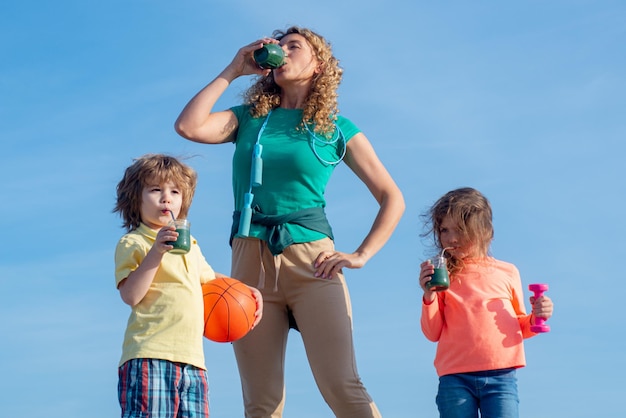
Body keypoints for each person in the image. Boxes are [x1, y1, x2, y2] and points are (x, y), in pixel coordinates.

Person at [174, 26, 405, 418]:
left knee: (343, 387)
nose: (281, 51)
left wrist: (362, 254)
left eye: (293, 46)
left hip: (314, 262)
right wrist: (234, 68)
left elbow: (391, 197)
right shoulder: (248, 119)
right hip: (250, 262)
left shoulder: (336, 129)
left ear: (318, 65)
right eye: (278, 46)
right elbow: (189, 127)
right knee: (262, 403)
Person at [113, 153, 263, 418]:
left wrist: (248, 292)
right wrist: (156, 252)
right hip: (150, 354)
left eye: (174, 192)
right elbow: (131, 295)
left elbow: (212, 279)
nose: (166, 198)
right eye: (155, 189)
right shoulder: (134, 242)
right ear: (135, 199)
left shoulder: (190, 245)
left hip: (193, 362)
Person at [418, 187, 554, 418]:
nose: (450, 238)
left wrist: (537, 316)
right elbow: (433, 333)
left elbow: (520, 327)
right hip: (455, 379)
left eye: (459, 230)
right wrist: (429, 295)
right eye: (444, 230)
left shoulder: (507, 272)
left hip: (502, 377)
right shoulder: (443, 275)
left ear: (484, 231)